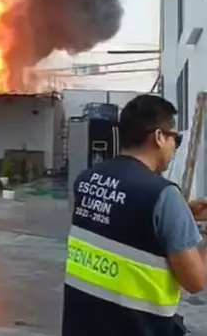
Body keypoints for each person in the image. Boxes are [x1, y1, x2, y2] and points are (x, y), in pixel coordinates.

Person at [63, 93, 207, 336]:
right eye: (176, 139)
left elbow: (122, 221)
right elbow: (195, 281)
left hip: (81, 326)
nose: (175, 147)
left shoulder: (86, 180)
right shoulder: (163, 195)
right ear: (159, 137)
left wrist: (185, 215)